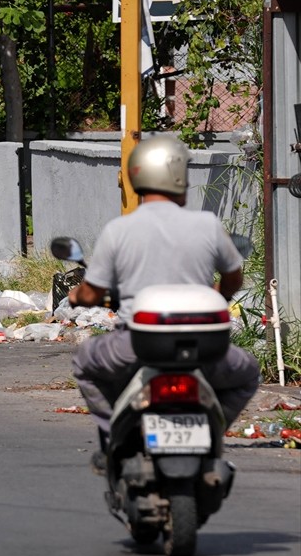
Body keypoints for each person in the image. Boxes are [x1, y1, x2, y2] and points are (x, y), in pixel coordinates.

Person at [67, 134, 261, 470]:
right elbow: (233, 276)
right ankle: (213, 436)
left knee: (85, 363)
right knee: (247, 372)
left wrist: (76, 296)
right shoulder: (208, 224)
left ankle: (114, 435)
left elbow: (93, 293)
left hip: (138, 346)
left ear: (137, 177)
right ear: (180, 178)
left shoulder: (119, 230)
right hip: (204, 348)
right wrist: (220, 297)